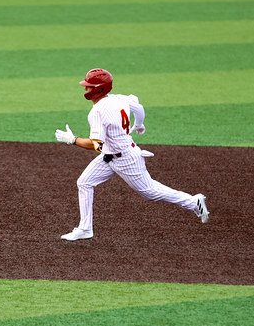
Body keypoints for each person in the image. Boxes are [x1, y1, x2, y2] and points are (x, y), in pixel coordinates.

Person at [54, 68, 209, 241]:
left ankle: (193, 202)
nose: (85, 89)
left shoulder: (97, 112)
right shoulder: (119, 98)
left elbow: (96, 144)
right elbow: (139, 107)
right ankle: (85, 228)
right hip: (110, 156)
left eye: (89, 87)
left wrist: (72, 140)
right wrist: (140, 124)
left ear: (99, 89)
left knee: (149, 192)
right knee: (84, 182)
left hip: (125, 159)